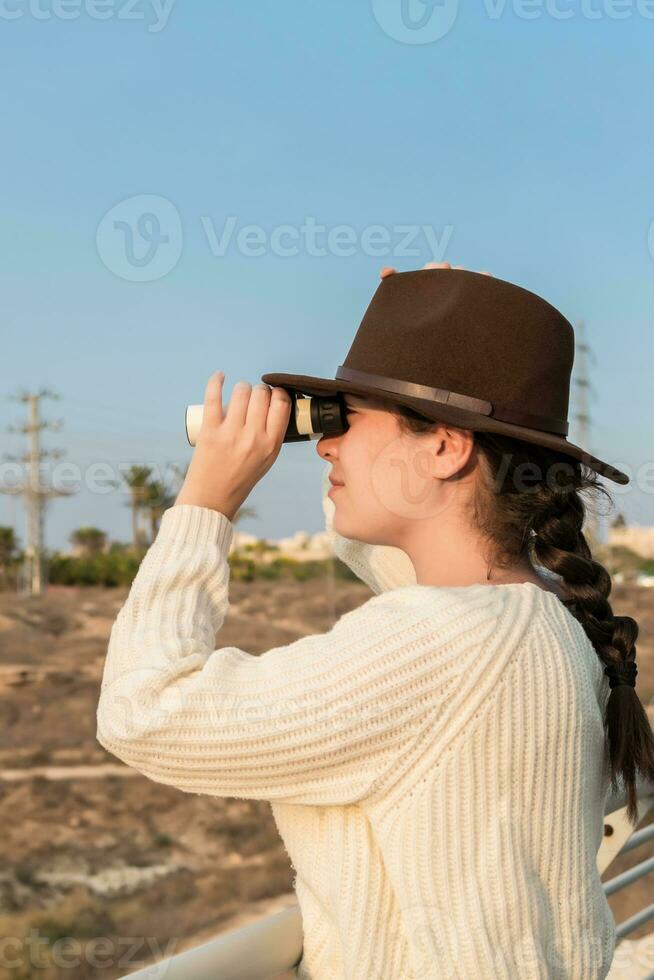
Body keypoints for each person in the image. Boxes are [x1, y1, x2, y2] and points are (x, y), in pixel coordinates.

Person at [96, 263, 654, 979]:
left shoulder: (438, 645)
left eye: (348, 420)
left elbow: (144, 711)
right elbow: (406, 562)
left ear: (447, 448)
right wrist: (431, 324)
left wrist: (205, 504)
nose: (326, 444)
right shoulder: (545, 616)